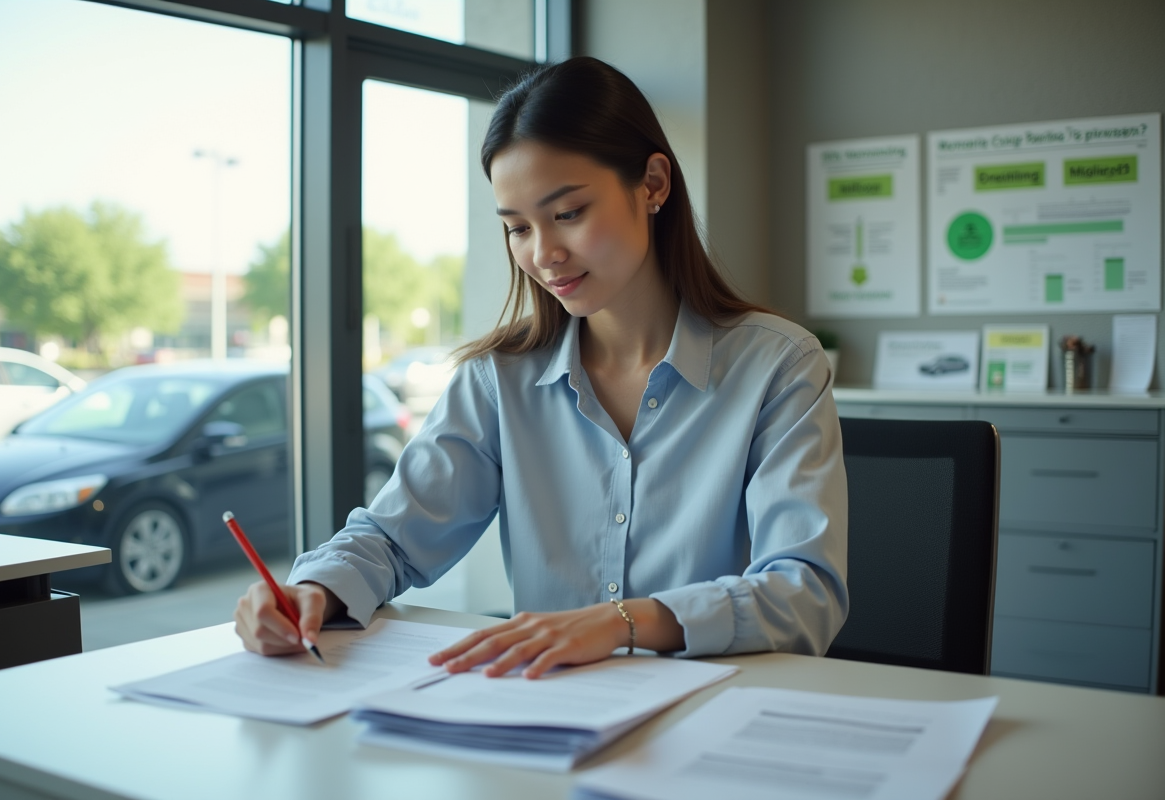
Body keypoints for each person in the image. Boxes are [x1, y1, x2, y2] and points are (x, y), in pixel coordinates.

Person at [235, 56, 848, 679]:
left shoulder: (779, 365)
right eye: (518, 228)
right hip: (548, 710)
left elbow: (804, 593)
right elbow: (394, 538)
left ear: (653, 184)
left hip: (720, 710)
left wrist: (622, 622)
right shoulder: (498, 381)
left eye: (568, 213)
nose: (544, 253)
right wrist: (312, 591)